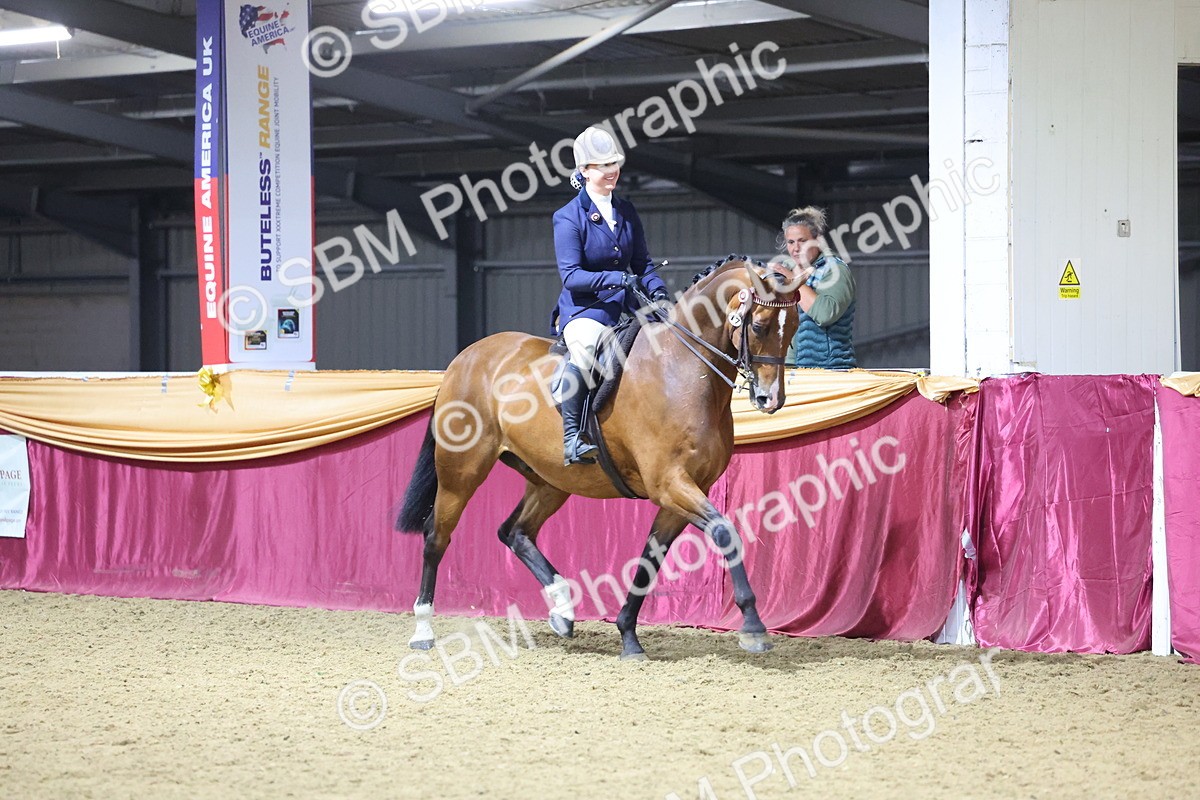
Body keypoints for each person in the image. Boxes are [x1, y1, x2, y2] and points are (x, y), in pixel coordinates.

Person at [552, 126, 671, 465]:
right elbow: (572, 276)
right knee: (586, 351)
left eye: (614, 163)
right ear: (584, 171)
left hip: (628, 308)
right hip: (586, 311)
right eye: (602, 165)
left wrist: (659, 293)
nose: (611, 171)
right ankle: (573, 437)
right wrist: (617, 278)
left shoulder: (627, 211)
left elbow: (642, 264)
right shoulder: (567, 218)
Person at [779, 206, 857, 368]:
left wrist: (793, 280)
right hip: (787, 367)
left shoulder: (835, 270)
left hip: (827, 369)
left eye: (803, 241)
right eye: (791, 242)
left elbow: (825, 314)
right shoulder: (784, 270)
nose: (796, 248)